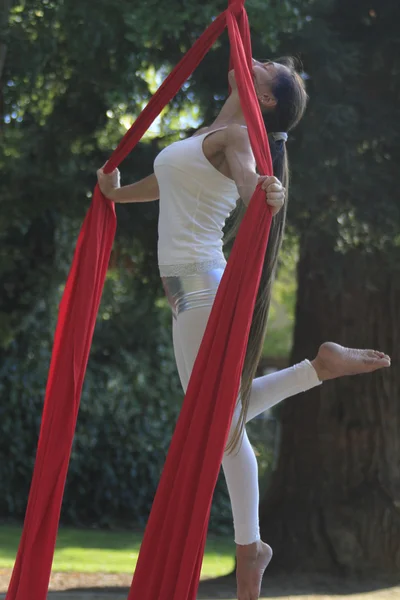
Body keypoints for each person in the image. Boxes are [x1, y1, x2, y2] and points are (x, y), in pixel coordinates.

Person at [97, 57, 391, 600]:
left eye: (264, 65)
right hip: (193, 293)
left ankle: (251, 548)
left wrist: (265, 189)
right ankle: (316, 370)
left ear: (269, 99)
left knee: (218, 421)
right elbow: (168, 185)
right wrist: (117, 195)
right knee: (219, 415)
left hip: (204, 291)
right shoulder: (209, 132)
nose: (250, 59)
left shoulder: (235, 136)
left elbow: (248, 176)